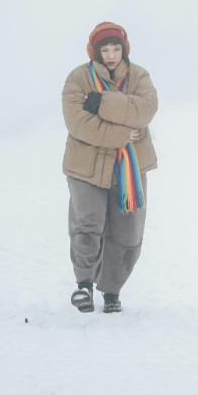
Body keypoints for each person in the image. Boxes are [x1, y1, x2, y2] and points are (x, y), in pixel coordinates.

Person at [61, 22, 159, 313]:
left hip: (128, 167)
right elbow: (77, 123)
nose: (111, 54)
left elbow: (145, 110)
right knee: (87, 226)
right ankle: (84, 286)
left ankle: (112, 290)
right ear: (95, 51)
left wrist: (100, 102)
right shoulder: (78, 79)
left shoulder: (139, 76)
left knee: (127, 234)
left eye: (116, 48)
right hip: (85, 167)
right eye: (105, 49)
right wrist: (119, 133)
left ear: (124, 49)